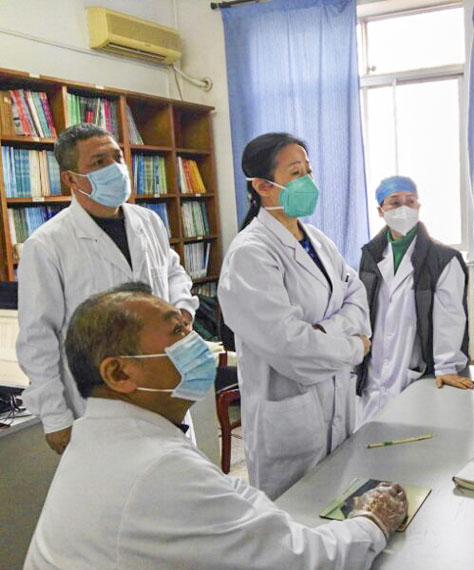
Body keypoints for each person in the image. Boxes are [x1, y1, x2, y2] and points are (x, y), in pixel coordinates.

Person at [24, 283, 407, 570]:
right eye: (178, 332)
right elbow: (301, 561)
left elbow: (221, 494)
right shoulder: (155, 467)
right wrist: (372, 521)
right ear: (119, 373)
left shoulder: (99, 438)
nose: (197, 341)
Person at [16, 123, 198, 455]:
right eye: (99, 162)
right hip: (100, 398)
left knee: (180, 471)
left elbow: (173, 272)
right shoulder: (47, 245)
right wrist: (56, 418)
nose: (115, 169)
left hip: (166, 379)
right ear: (71, 179)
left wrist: (182, 309)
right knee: (123, 478)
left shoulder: (148, 221)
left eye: (117, 158)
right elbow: (37, 339)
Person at [218, 133, 371, 499]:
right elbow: (292, 349)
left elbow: (358, 299)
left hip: (338, 403)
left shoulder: (318, 240)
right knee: (296, 517)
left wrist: (321, 331)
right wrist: (354, 347)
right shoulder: (249, 254)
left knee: (339, 505)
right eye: (296, 173)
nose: (308, 182)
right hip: (289, 423)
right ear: (262, 186)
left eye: (308, 171)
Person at [355, 175, 474, 426]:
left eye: (410, 201)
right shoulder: (370, 255)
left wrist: (446, 367)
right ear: (380, 211)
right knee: (367, 439)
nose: (404, 209)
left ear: (419, 206)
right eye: (394, 202)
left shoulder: (443, 259)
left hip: (414, 374)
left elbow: (450, 318)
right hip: (372, 377)